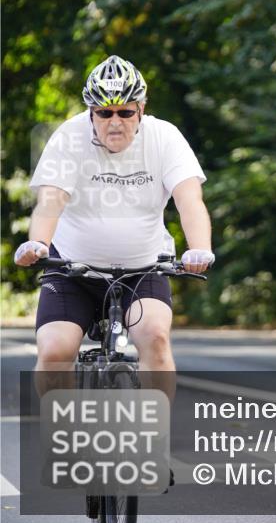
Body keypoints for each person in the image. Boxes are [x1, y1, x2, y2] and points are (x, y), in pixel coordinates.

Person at [14, 55, 214, 401]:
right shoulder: (68, 138)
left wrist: (198, 247)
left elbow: (189, 199)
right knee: (54, 353)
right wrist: (38, 244)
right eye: (104, 113)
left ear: (142, 109)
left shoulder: (165, 138)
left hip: (144, 266)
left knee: (155, 338)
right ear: (91, 113)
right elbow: (51, 200)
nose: (115, 122)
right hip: (72, 268)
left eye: (125, 112)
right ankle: (59, 436)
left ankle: (157, 438)